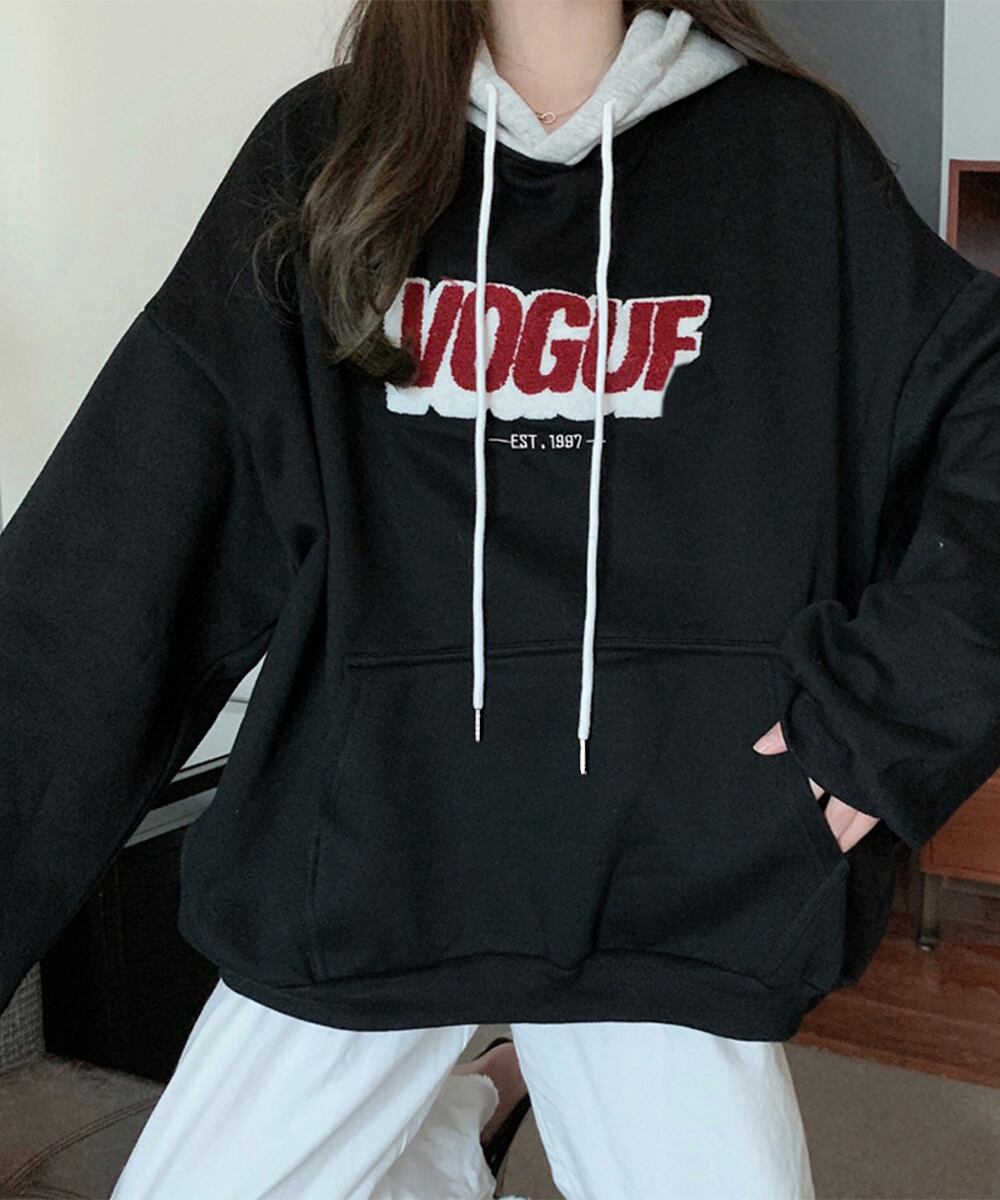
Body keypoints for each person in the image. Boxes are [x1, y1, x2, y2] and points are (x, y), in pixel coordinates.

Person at [3, 0, 1000, 1197]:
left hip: (673, 876)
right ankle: (462, 1125)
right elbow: (108, 563)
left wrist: (889, 717)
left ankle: (458, 1117)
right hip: (368, 867)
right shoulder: (326, 153)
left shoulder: (790, 156)